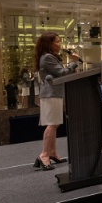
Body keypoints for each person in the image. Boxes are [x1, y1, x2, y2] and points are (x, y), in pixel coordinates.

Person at [34, 32, 79, 170]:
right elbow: (62, 73)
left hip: (55, 93)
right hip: (51, 93)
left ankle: (52, 152)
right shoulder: (47, 57)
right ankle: (44, 155)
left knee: (55, 123)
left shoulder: (49, 57)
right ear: (49, 43)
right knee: (52, 124)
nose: (60, 44)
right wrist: (73, 62)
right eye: (57, 41)